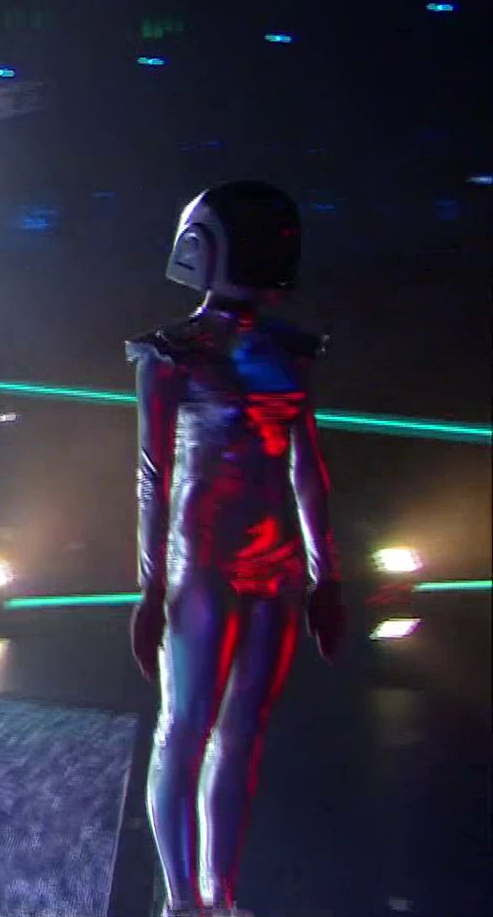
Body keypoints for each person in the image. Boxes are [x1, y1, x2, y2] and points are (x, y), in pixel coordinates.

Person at [128, 180, 345, 917]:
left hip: (269, 566)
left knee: (240, 736)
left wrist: (324, 575)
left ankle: (217, 896)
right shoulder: (171, 354)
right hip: (204, 566)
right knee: (187, 730)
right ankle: (183, 901)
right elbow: (154, 474)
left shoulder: (288, 352)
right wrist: (151, 586)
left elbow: (308, 468)